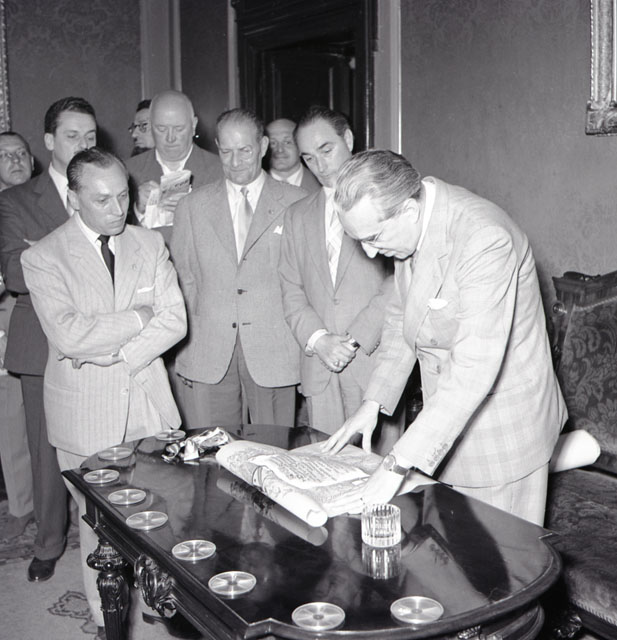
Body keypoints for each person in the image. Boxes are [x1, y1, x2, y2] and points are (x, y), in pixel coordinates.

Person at [324, 150, 567, 525]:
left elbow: (473, 370)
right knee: (459, 551)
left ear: (409, 211)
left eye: (372, 238)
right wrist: (372, 402)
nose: (370, 253)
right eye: (359, 241)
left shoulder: (484, 239)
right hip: (448, 423)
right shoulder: (408, 220)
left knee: (503, 559)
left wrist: (396, 463)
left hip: (501, 435)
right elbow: (401, 318)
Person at [21, 147, 187, 633]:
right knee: (99, 527)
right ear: (73, 199)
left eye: (123, 196)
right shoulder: (43, 256)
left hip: (148, 403)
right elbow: (69, 335)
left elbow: (175, 320)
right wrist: (139, 317)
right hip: (85, 413)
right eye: (102, 200)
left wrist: (120, 354)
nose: (118, 210)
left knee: (160, 515)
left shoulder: (149, 243)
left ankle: (159, 603)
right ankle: (105, 620)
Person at [0, 96, 97, 582]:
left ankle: (109, 534)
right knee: (45, 452)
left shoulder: (106, 186)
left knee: (104, 444)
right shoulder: (16, 200)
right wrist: (69, 253)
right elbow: (16, 272)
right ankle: (48, 543)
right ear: (49, 141)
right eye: (73, 136)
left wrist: (44, 252)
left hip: (99, 337)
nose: (84, 144)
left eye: (90, 136)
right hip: (40, 341)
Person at [170, 108, 306, 429]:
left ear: (263, 146)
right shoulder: (191, 206)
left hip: (275, 351)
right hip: (208, 352)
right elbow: (183, 282)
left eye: (244, 150)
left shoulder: (298, 202)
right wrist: (184, 350)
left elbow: (304, 284)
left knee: (274, 451)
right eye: (226, 151)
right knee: (212, 450)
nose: (235, 162)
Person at [279, 107, 402, 451]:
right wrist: (319, 340)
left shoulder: (386, 199)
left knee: (381, 468)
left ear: (347, 138)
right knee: (326, 467)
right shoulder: (296, 216)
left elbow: (401, 279)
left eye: (326, 150)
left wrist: (355, 337)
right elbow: (290, 288)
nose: (319, 165)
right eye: (308, 157)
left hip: (374, 364)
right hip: (321, 367)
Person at [125, 89, 223, 241]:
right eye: (161, 129)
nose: (170, 138)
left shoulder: (221, 171)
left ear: (194, 125)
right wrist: (138, 210)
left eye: (179, 129)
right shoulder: (128, 171)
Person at [0, 131, 34, 540]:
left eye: (20, 153)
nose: (15, 160)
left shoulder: (50, 201)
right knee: (11, 420)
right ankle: (22, 506)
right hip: (6, 321)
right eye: (5, 155)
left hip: (53, 319)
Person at [266, 118, 320, 193]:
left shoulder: (322, 185)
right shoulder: (252, 186)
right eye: (273, 143)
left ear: (300, 146)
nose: (280, 149)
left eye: (287, 142)